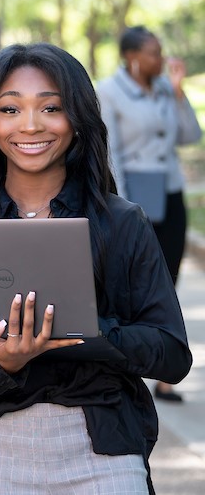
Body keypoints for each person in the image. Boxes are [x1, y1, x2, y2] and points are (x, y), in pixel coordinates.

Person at [0, 43, 191, 494]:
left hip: (106, 453)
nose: (30, 125)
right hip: (1, 451)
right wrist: (1, 364)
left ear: (78, 120)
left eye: (51, 107)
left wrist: (86, 332)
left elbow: (172, 354)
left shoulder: (120, 222)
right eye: (10, 109)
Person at [96, 25, 201, 403]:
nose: (161, 58)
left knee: (167, 278)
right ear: (132, 57)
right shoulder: (109, 91)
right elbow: (111, 151)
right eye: (154, 53)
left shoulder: (162, 90)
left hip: (169, 192)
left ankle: (164, 371)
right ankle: (130, 358)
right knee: (132, 280)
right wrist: (119, 203)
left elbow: (191, 136)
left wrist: (178, 92)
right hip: (134, 195)